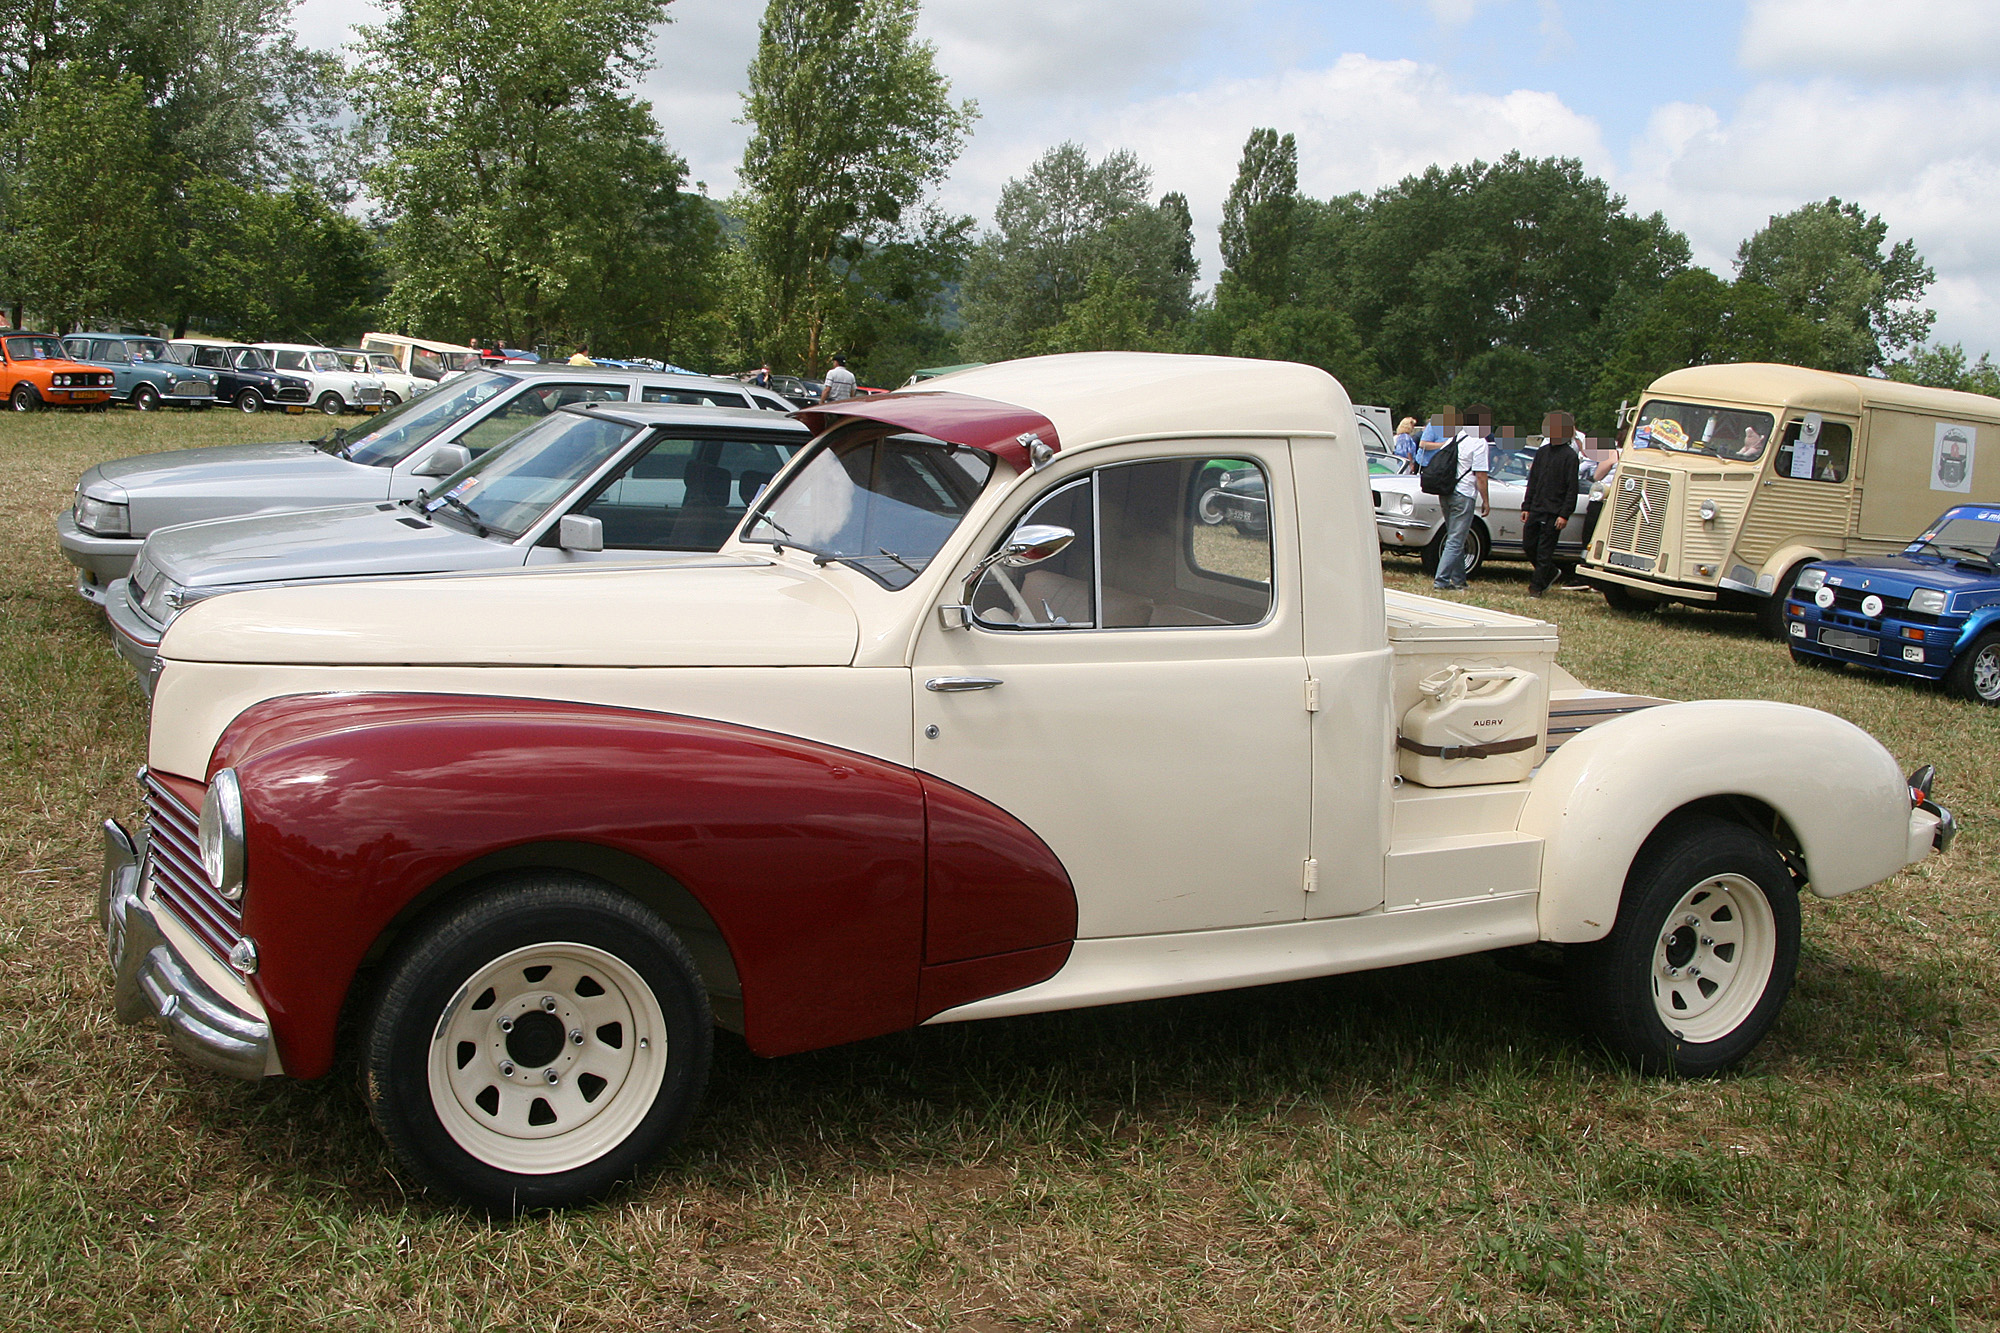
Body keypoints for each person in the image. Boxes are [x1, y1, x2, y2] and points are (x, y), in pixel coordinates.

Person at [1520, 411, 1583, 597]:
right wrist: (1526, 506)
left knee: (1544, 551)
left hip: (1554, 511)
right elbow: (1533, 480)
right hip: (1537, 507)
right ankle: (1549, 572)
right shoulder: (1542, 452)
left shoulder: (1570, 456)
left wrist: (1564, 514)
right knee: (1529, 545)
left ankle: (1536, 587)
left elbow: (1572, 488)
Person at [1433, 405, 1490, 590]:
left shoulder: (1455, 437)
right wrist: (1486, 501)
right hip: (1464, 494)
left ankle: (1459, 580)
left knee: (1453, 537)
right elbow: (1481, 476)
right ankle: (1440, 581)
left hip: (1447, 492)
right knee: (1456, 540)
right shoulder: (1479, 442)